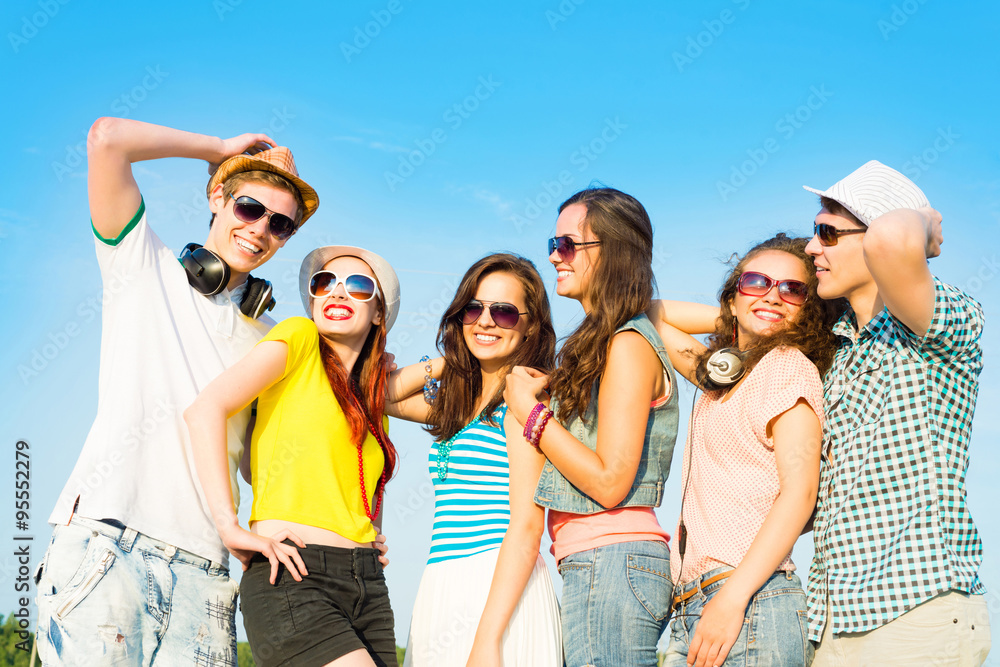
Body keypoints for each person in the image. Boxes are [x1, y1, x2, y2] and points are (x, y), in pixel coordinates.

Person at [35, 117, 317, 665]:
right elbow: (107, 140)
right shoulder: (141, 263)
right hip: (108, 542)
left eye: (280, 224)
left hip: (207, 569)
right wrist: (217, 147)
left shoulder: (269, 340)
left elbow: (268, 465)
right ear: (218, 196)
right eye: (249, 208)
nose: (260, 229)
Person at [802, 161, 991, 666]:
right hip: (831, 620)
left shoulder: (940, 327)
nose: (810, 247)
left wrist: (925, 227)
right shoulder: (837, 352)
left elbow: (889, 240)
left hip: (914, 614)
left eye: (827, 232)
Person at [185, 245, 401, 667]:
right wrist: (228, 525)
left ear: (379, 313)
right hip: (294, 572)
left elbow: (363, 484)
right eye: (325, 284)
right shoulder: (299, 337)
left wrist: (367, 532)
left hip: (369, 584)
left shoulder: (374, 401)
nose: (337, 294)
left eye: (358, 286)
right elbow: (205, 409)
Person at [648, 234, 843, 667]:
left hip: (748, 601)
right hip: (694, 605)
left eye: (792, 290)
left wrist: (732, 600)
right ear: (732, 296)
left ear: (808, 309)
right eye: (756, 282)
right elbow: (648, 314)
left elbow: (799, 494)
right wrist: (736, 317)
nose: (774, 295)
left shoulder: (789, 368)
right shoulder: (722, 378)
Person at [504, 187, 679, 667]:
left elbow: (609, 481)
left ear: (614, 252)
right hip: (603, 563)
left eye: (567, 245)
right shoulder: (610, 341)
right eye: (553, 243)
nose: (553, 256)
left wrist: (531, 414)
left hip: (613, 560)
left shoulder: (627, 343)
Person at [387, 253, 562, 667]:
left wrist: (487, 641)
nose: (485, 321)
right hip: (441, 584)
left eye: (503, 312)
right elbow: (378, 394)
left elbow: (525, 527)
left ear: (531, 324)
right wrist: (454, 358)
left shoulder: (522, 404)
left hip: (496, 591)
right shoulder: (457, 405)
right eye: (473, 309)